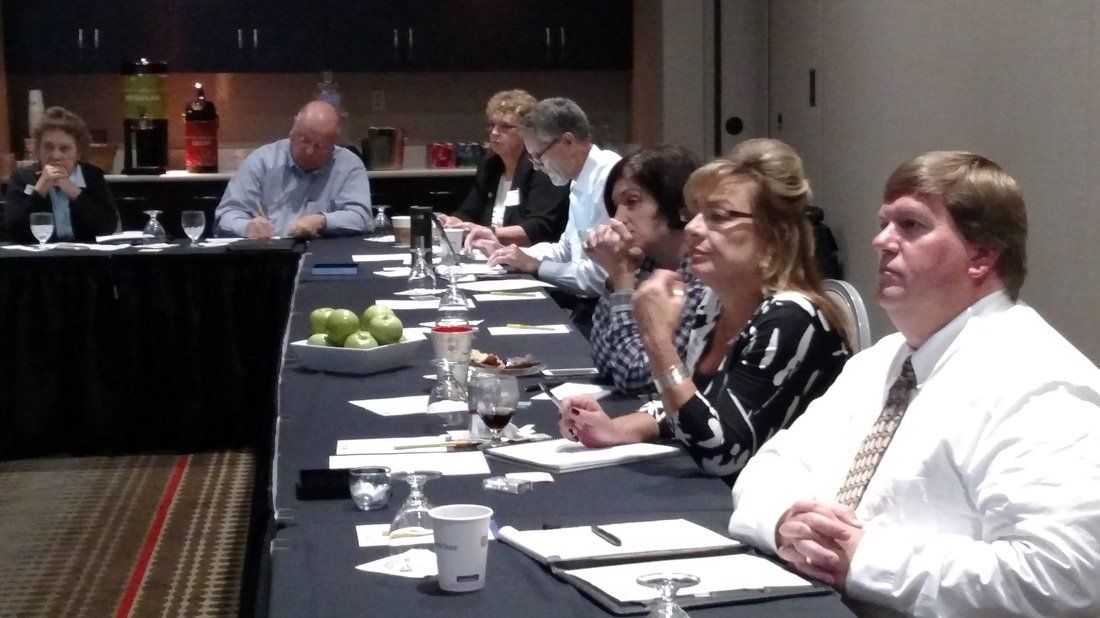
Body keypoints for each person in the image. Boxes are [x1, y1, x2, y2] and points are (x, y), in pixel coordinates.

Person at [728, 151, 1100, 616]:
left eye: (911, 226)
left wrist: (862, 559)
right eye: (885, 223)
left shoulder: (1040, 382)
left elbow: (1062, 576)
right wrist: (785, 521)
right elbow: (770, 468)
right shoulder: (880, 362)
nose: (881, 241)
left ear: (981, 255)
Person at [559, 139, 851, 484]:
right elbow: (698, 400)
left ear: (774, 234)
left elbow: (721, 453)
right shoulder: (715, 302)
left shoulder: (792, 318)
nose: (695, 228)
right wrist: (618, 428)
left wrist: (657, 340)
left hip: (777, 516)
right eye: (695, 215)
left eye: (719, 217)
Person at [471, 97, 620, 299]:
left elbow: (601, 278)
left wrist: (537, 266)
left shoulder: (611, 179)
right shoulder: (578, 177)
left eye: (538, 156)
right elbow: (565, 250)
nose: (535, 166)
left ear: (568, 142)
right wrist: (510, 253)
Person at [587, 145, 706, 394]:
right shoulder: (645, 263)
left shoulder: (702, 275)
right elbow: (605, 363)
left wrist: (622, 282)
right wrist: (615, 277)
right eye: (616, 206)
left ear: (675, 203)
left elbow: (634, 376)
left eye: (632, 201)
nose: (618, 218)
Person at [214, 100, 372, 239]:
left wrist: (322, 221)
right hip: (268, 255)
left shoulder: (349, 165)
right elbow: (226, 215)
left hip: (326, 255)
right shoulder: (263, 160)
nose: (310, 151)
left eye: (320, 146)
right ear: (292, 132)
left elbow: (362, 218)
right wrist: (247, 227)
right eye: (304, 140)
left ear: (333, 145)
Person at [437, 89, 568, 247]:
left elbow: (539, 228)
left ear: (527, 132)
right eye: (491, 125)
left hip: (529, 256)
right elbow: (468, 214)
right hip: (490, 253)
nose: (494, 132)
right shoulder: (490, 166)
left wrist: (489, 232)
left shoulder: (541, 168)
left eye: (505, 127)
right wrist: (451, 222)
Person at [4, 106, 119, 243]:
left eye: (64, 149)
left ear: (78, 153)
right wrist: (39, 191)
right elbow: (14, 231)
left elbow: (108, 226)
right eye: (48, 147)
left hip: (84, 258)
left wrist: (73, 190)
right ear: (38, 150)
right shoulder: (22, 178)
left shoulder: (91, 176)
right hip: (38, 259)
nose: (55, 155)